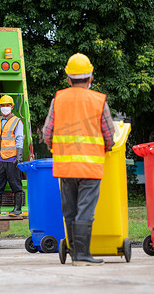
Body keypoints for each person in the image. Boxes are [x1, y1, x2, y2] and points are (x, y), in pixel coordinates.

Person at [42, 53, 115, 266]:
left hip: (65, 167)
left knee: (70, 210)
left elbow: (47, 133)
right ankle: (82, 256)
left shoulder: (58, 99)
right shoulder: (99, 100)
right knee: (85, 210)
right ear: (90, 78)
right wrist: (106, 148)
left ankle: (75, 253)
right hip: (90, 168)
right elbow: (109, 135)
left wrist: (55, 148)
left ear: (68, 79)